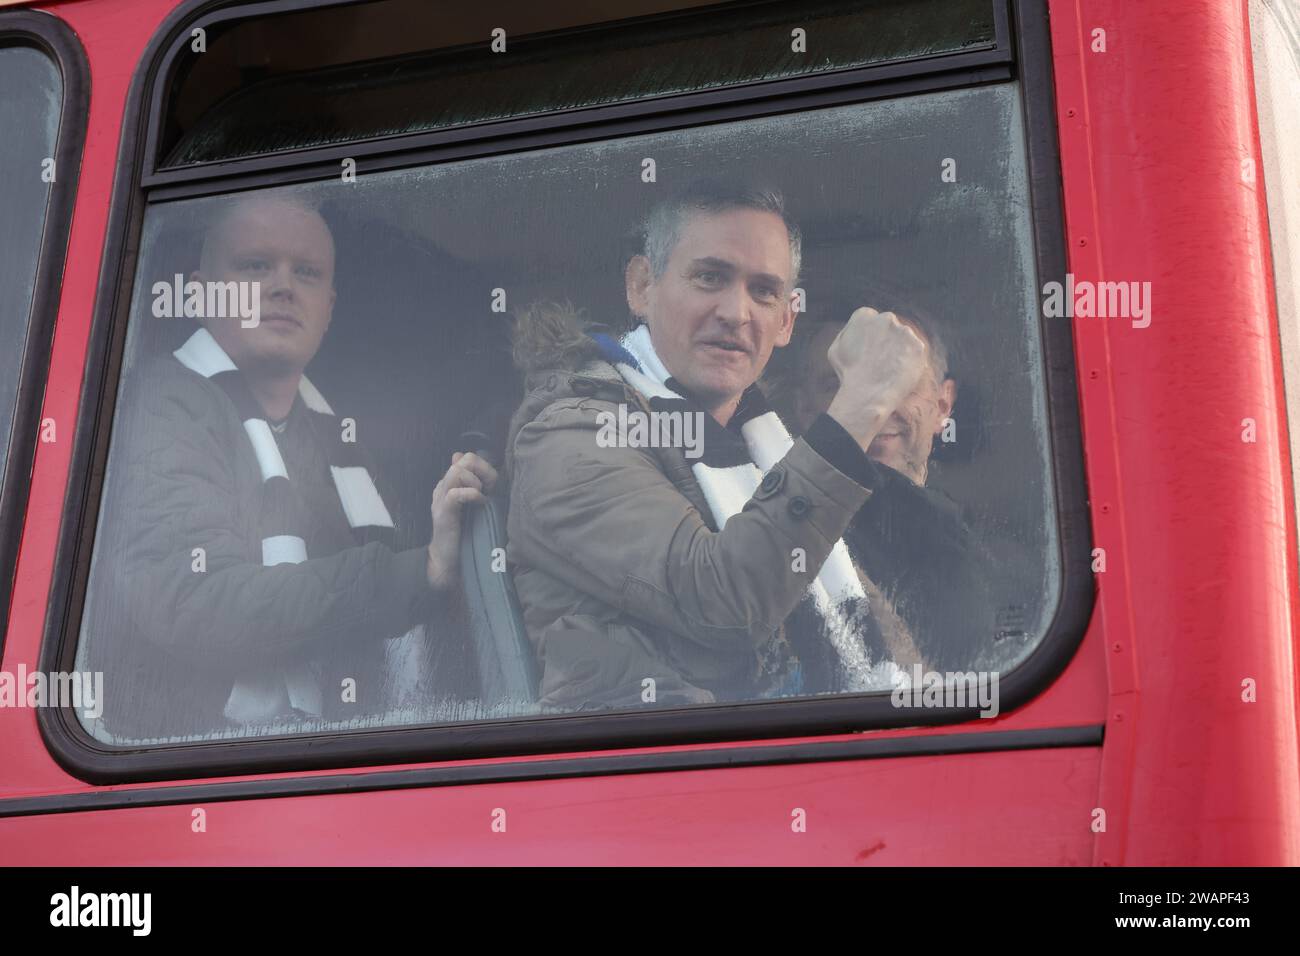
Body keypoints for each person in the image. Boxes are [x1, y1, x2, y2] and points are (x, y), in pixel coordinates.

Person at [88, 192, 496, 738]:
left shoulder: (340, 438)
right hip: (209, 776)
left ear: (328, 307)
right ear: (203, 291)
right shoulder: (164, 403)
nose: (283, 286)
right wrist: (419, 572)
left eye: (306, 272)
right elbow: (189, 599)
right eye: (256, 265)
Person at [505, 180, 926, 710]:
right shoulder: (568, 436)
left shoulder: (770, 447)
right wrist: (859, 405)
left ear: (786, 322)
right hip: (661, 778)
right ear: (641, 286)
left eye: (764, 291)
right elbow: (725, 604)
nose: (737, 312)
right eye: (710, 277)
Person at [785, 301, 996, 675]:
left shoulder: (1005, 556)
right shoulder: (780, 539)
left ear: (943, 403)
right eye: (838, 385)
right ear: (803, 407)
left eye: (900, 381)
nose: (876, 407)